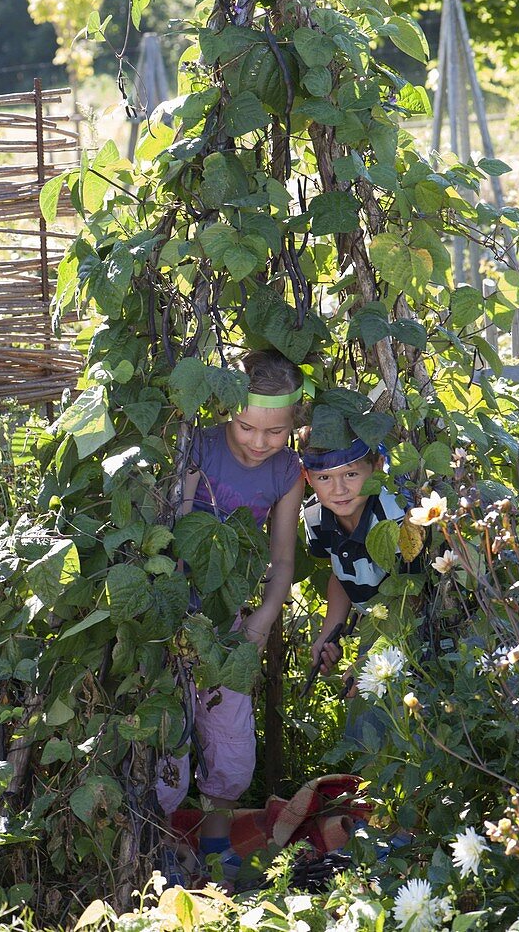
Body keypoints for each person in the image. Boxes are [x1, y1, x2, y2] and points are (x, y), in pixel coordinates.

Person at [157, 348, 305, 880]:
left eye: (276, 433)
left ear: (293, 426)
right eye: (246, 427)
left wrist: (262, 621)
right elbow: (174, 532)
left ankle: (217, 844)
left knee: (231, 735)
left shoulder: (287, 473)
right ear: (227, 412)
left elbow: (283, 559)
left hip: (234, 622)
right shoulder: (198, 447)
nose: (260, 442)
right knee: (170, 728)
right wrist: (172, 615)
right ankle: (168, 842)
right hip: (179, 616)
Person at [301, 432, 415, 693]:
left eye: (351, 474)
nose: (339, 490)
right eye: (324, 478)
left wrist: (373, 659)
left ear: (377, 466)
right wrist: (329, 631)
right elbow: (342, 572)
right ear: (307, 477)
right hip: (376, 626)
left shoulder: (396, 517)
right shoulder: (316, 516)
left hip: (412, 625)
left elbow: (413, 597)